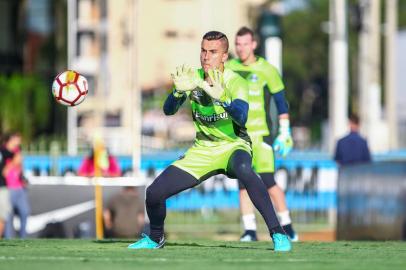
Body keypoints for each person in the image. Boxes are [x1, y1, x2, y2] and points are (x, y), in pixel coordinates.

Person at [127, 31, 291, 251]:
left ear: (224, 56)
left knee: (245, 169)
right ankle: (155, 238)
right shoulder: (192, 77)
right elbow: (168, 111)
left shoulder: (235, 81)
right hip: (203, 150)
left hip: (234, 145)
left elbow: (242, 116)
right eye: (203, 51)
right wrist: (176, 93)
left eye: (213, 52)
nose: (206, 56)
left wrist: (221, 98)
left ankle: (278, 234)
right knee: (154, 193)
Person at [225, 26, 297, 242]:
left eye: (245, 43)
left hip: (262, 135)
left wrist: (285, 132)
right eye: (237, 44)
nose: (241, 48)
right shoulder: (228, 68)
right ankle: (250, 230)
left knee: (268, 182)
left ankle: (288, 227)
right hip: (238, 137)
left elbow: (281, 104)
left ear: (254, 45)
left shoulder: (267, 70)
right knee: (242, 183)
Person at [5, 150, 31, 238]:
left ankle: (23, 237)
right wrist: (12, 164)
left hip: (20, 190)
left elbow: (21, 178)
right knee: (8, 216)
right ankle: (8, 238)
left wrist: (24, 182)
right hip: (9, 191)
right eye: (19, 156)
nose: (21, 158)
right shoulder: (8, 164)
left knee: (25, 212)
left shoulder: (20, 166)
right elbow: (4, 174)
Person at [0, 132, 21, 238]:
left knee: (3, 215)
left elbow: (17, 156)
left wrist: (8, 167)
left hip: (2, 187)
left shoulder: (3, 151)